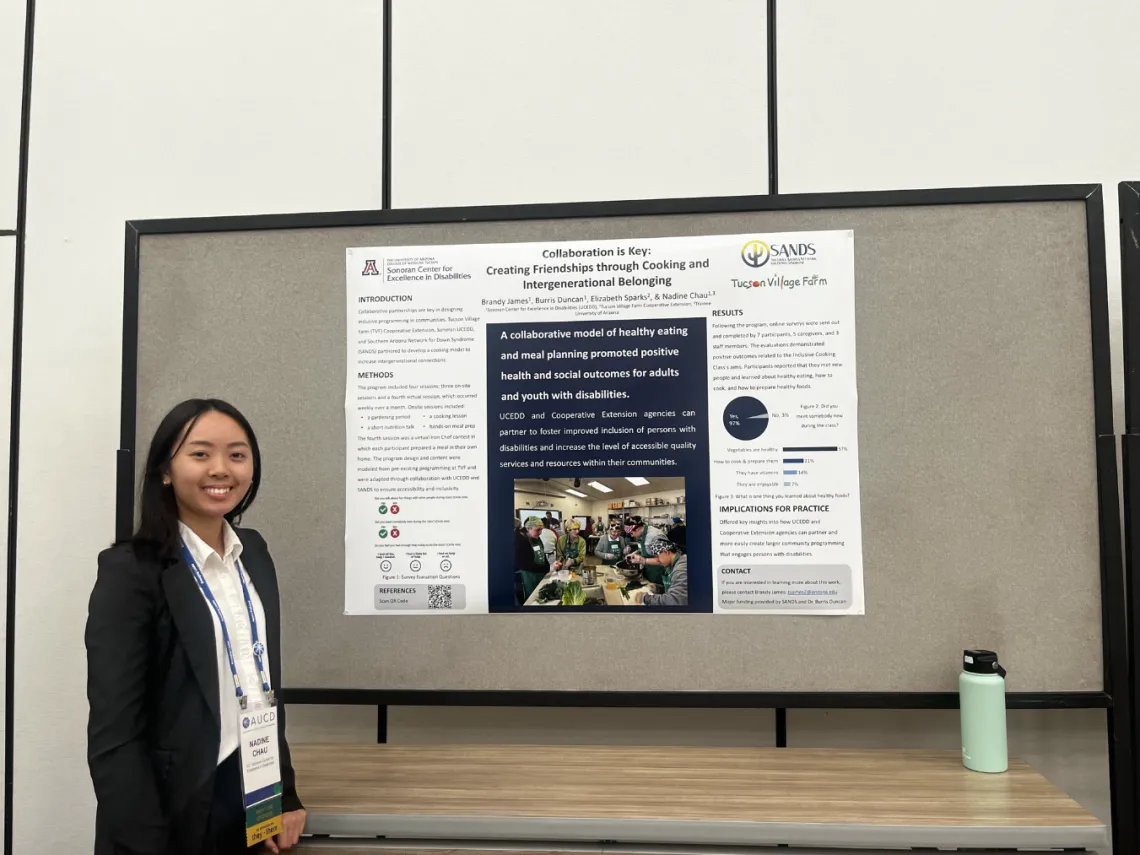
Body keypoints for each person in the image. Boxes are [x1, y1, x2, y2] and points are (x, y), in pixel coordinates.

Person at [85, 399, 306, 854]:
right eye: (200, 454)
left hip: (250, 793)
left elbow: (262, 686)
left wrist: (283, 794)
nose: (221, 469)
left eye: (237, 455)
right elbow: (115, 735)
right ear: (166, 470)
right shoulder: (131, 571)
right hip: (171, 810)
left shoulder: (255, 554)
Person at [629, 535, 688, 606]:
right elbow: (677, 588)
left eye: (657, 556)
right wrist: (659, 589)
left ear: (666, 552)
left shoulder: (682, 567)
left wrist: (645, 598)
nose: (657, 560)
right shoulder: (670, 565)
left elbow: (676, 600)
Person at [516, 516, 559, 601]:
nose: (540, 533)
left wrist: (549, 567)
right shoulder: (519, 540)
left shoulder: (535, 537)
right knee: (531, 599)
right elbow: (525, 564)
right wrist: (548, 568)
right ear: (528, 528)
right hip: (527, 578)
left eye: (541, 529)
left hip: (538, 574)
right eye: (538, 530)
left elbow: (542, 553)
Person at [623, 515, 666, 585]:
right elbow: (645, 549)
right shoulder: (640, 535)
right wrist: (635, 553)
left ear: (637, 529)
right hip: (647, 572)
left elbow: (664, 560)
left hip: (658, 574)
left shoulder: (655, 536)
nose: (631, 536)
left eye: (631, 533)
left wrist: (644, 561)